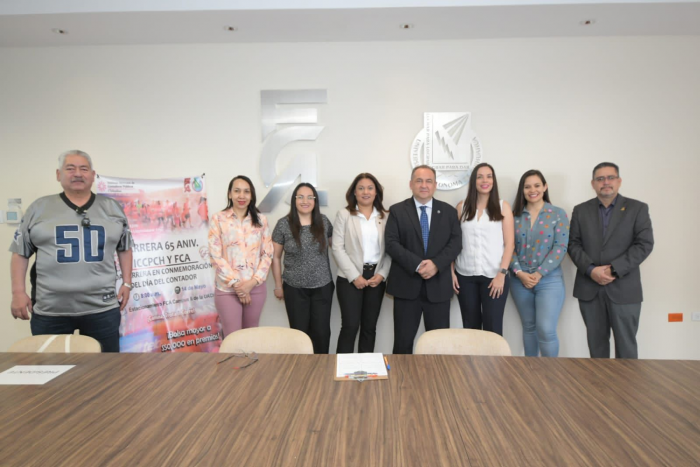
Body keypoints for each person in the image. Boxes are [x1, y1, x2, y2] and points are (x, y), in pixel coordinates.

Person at [9, 150, 133, 352]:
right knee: (52, 367)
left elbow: (125, 247)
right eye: (70, 168)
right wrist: (18, 293)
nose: (77, 174)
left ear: (92, 175)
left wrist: (127, 282)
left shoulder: (112, 208)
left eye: (84, 169)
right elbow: (20, 253)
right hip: (51, 309)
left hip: (102, 307)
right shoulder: (38, 208)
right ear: (58, 174)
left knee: (106, 366)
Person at [568, 162, 653, 359]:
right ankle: (599, 382)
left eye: (610, 177)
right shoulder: (580, 210)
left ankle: (626, 382)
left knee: (626, 348)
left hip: (624, 288)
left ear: (619, 181)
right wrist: (591, 270)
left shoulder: (637, 208)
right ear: (593, 184)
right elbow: (573, 244)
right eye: (600, 179)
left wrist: (613, 269)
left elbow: (644, 244)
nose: (605, 182)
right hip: (590, 288)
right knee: (596, 349)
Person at [385, 165, 462, 354]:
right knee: (402, 343)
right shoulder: (397, 211)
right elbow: (391, 243)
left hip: (438, 288)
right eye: (419, 181)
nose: (424, 185)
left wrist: (436, 264)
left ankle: (436, 376)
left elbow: (456, 243)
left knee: (438, 346)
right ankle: (401, 375)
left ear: (435, 185)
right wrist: (418, 264)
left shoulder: (448, 212)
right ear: (411, 184)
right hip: (406, 287)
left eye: (428, 181)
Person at [510, 170, 570, 357]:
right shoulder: (514, 215)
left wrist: (539, 273)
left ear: (545, 187)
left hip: (549, 280)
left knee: (546, 329)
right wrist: (519, 273)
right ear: (522, 190)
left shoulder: (557, 214)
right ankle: (530, 370)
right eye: (527, 187)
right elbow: (508, 246)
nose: (532, 190)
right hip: (519, 280)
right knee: (529, 327)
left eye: (537, 185)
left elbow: (560, 247)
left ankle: (550, 372)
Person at [451, 163, 514, 336]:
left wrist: (502, 274)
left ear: (493, 181)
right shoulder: (461, 207)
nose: (485, 180)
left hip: (494, 277)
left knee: (493, 329)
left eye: (489, 176)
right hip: (465, 277)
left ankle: (493, 357)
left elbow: (510, 244)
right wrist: (452, 272)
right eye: (480, 177)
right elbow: (453, 242)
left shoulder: (503, 207)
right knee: (471, 329)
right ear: (474, 181)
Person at [332, 173, 392, 353]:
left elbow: (391, 250)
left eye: (370, 188)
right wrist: (354, 276)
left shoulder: (385, 216)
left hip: (376, 278)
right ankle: (343, 367)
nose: (366, 192)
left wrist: (382, 274)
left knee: (369, 328)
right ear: (354, 192)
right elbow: (337, 248)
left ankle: (366, 367)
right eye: (361, 188)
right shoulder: (344, 215)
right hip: (349, 278)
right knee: (350, 326)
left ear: (376, 192)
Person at [272, 183, 334, 354]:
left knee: (321, 333)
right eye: (300, 197)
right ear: (294, 200)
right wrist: (278, 285)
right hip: (294, 289)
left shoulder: (324, 222)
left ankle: (321, 367)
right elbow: (275, 257)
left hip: (322, 287)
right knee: (299, 335)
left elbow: (337, 248)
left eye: (309, 197)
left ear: (315, 200)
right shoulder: (283, 224)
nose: (305, 201)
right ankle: (301, 369)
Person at [208, 176, 273, 337]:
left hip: (255, 288)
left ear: (251, 195)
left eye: (246, 192)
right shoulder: (218, 219)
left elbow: (267, 254)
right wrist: (238, 286)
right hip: (228, 289)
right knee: (233, 338)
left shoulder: (261, 220)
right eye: (237, 191)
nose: (241, 196)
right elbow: (215, 256)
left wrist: (251, 283)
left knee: (251, 338)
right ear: (230, 194)